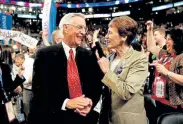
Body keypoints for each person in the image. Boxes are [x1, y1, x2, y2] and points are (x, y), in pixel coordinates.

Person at [27, 13, 103, 124]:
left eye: (84, 28)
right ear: (65, 28)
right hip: (54, 117)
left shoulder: (89, 55)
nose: (83, 32)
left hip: (84, 118)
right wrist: (66, 103)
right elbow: (39, 90)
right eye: (79, 27)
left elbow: (96, 86)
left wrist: (89, 101)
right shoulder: (45, 54)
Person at [97, 16, 148, 124]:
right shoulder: (110, 58)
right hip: (106, 119)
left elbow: (127, 92)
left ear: (124, 36)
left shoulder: (139, 59)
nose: (106, 36)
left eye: (110, 33)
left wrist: (107, 72)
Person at [146, 21, 183, 121]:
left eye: (169, 39)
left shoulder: (181, 57)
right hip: (160, 99)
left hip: (174, 104)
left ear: (177, 41)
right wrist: (150, 30)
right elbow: (151, 47)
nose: (166, 42)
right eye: (166, 39)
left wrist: (166, 72)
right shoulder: (165, 53)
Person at [0, 45, 25, 124]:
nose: (14, 55)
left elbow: (9, 86)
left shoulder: (4, 67)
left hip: (6, 102)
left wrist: (19, 76)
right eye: (12, 53)